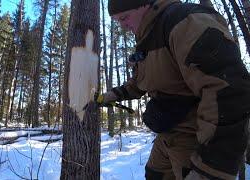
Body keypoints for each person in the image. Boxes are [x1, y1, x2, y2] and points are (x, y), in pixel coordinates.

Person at [99, 0, 250, 179]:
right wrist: (108, 96)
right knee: (154, 175)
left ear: (145, 5)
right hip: (168, 135)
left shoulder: (185, 22)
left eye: (124, 18)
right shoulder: (146, 40)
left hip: (197, 141)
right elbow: (138, 83)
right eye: (118, 21)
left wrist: (212, 168)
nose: (123, 26)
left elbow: (229, 91)